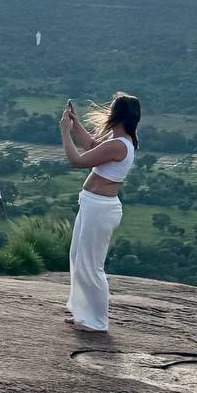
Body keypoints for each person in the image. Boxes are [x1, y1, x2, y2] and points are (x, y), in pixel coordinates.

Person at [59, 92, 142, 333]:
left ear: (117, 114)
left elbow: (77, 160)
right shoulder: (117, 140)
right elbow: (92, 147)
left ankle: (96, 322)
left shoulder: (118, 144)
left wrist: (65, 131)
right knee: (78, 257)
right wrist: (76, 125)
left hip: (100, 208)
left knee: (91, 264)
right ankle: (83, 314)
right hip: (92, 204)